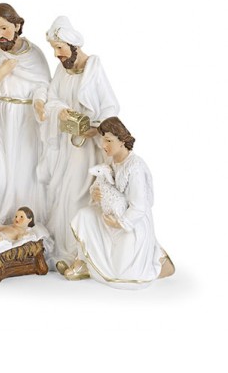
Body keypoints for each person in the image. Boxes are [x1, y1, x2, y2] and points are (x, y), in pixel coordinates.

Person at [39, 16, 120, 271]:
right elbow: (52, 98)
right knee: (61, 193)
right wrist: (60, 111)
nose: (56, 55)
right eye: (54, 49)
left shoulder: (93, 67)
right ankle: (65, 249)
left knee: (77, 194)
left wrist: (95, 129)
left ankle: (81, 253)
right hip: (66, 145)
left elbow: (110, 107)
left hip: (88, 148)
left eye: (59, 48)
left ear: (73, 45)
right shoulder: (61, 70)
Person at [67, 117, 175, 289]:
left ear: (122, 141)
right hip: (112, 214)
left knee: (122, 274)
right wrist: (95, 193)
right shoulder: (111, 160)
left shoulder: (135, 168)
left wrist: (120, 223)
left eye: (108, 140)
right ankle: (84, 261)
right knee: (84, 216)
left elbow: (140, 207)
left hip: (131, 223)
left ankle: (158, 262)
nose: (103, 145)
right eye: (103, 140)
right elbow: (102, 184)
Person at [0, 3, 51, 223]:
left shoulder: (34, 54)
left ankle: (23, 221)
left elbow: (44, 85)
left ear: (17, 25)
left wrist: (39, 103)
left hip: (26, 119)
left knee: (25, 174)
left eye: (4, 28)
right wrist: (0, 74)